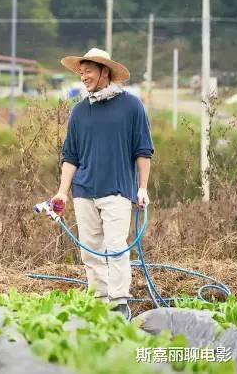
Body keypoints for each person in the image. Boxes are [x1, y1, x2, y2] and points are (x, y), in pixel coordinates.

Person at [51, 48, 154, 317]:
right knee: (90, 250)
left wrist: (142, 188)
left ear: (104, 71)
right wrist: (63, 192)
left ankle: (119, 301)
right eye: (81, 71)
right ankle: (98, 300)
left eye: (88, 71)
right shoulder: (80, 111)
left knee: (116, 247)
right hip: (84, 191)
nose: (83, 76)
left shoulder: (132, 106)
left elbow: (143, 151)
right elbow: (70, 156)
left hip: (118, 189)